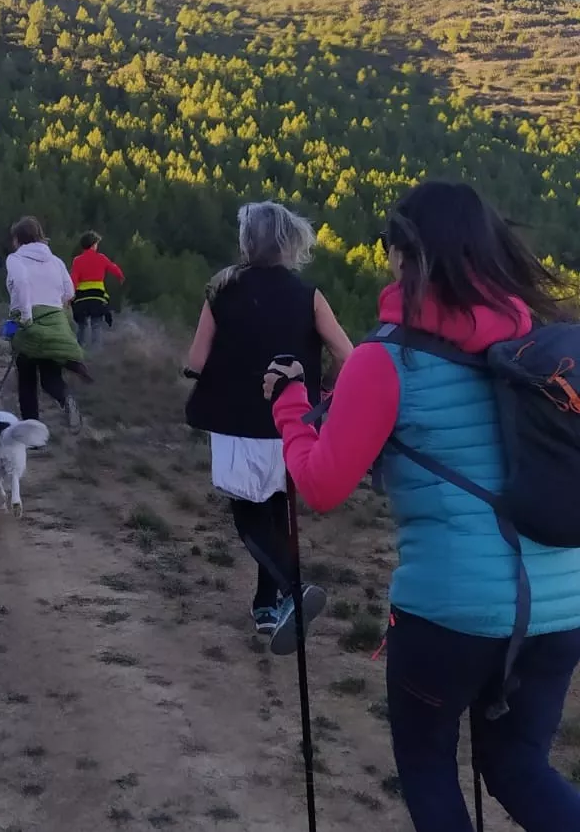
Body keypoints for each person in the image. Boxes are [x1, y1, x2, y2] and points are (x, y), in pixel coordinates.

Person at [264, 181, 580, 832]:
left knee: (429, 765)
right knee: (520, 767)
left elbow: (322, 485)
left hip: (448, 612)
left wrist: (290, 406)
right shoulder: (543, 348)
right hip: (561, 607)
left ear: (406, 255)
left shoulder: (386, 359)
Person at [185, 200, 353, 651]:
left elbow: (196, 361)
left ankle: (292, 591)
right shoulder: (309, 295)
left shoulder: (221, 289)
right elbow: (348, 355)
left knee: (249, 514)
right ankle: (266, 606)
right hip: (293, 419)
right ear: (289, 242)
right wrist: (323, 388)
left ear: (247, 241)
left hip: (235, 419)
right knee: (279, 510)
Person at [4, 216, 90, 432]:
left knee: (27, 380)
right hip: (54, 322)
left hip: (27, 321)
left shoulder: (15, 259)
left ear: (17, 239)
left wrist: (26, 315)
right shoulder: (56, 261)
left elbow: (21, 283)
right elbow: (69, 292)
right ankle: (65, 398)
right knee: (50, 377)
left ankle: (32, 432)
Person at [70, 231, 125, 348]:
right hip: (97, 297)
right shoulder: (101, 258)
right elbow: (113, 267)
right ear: (94, 245)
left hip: (82, 298)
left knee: (82, 325)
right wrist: (120, 276)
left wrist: (71, 295)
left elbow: (74, 279)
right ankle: (96, 353)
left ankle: (79, 350)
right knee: (96, 325)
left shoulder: (77, 260)